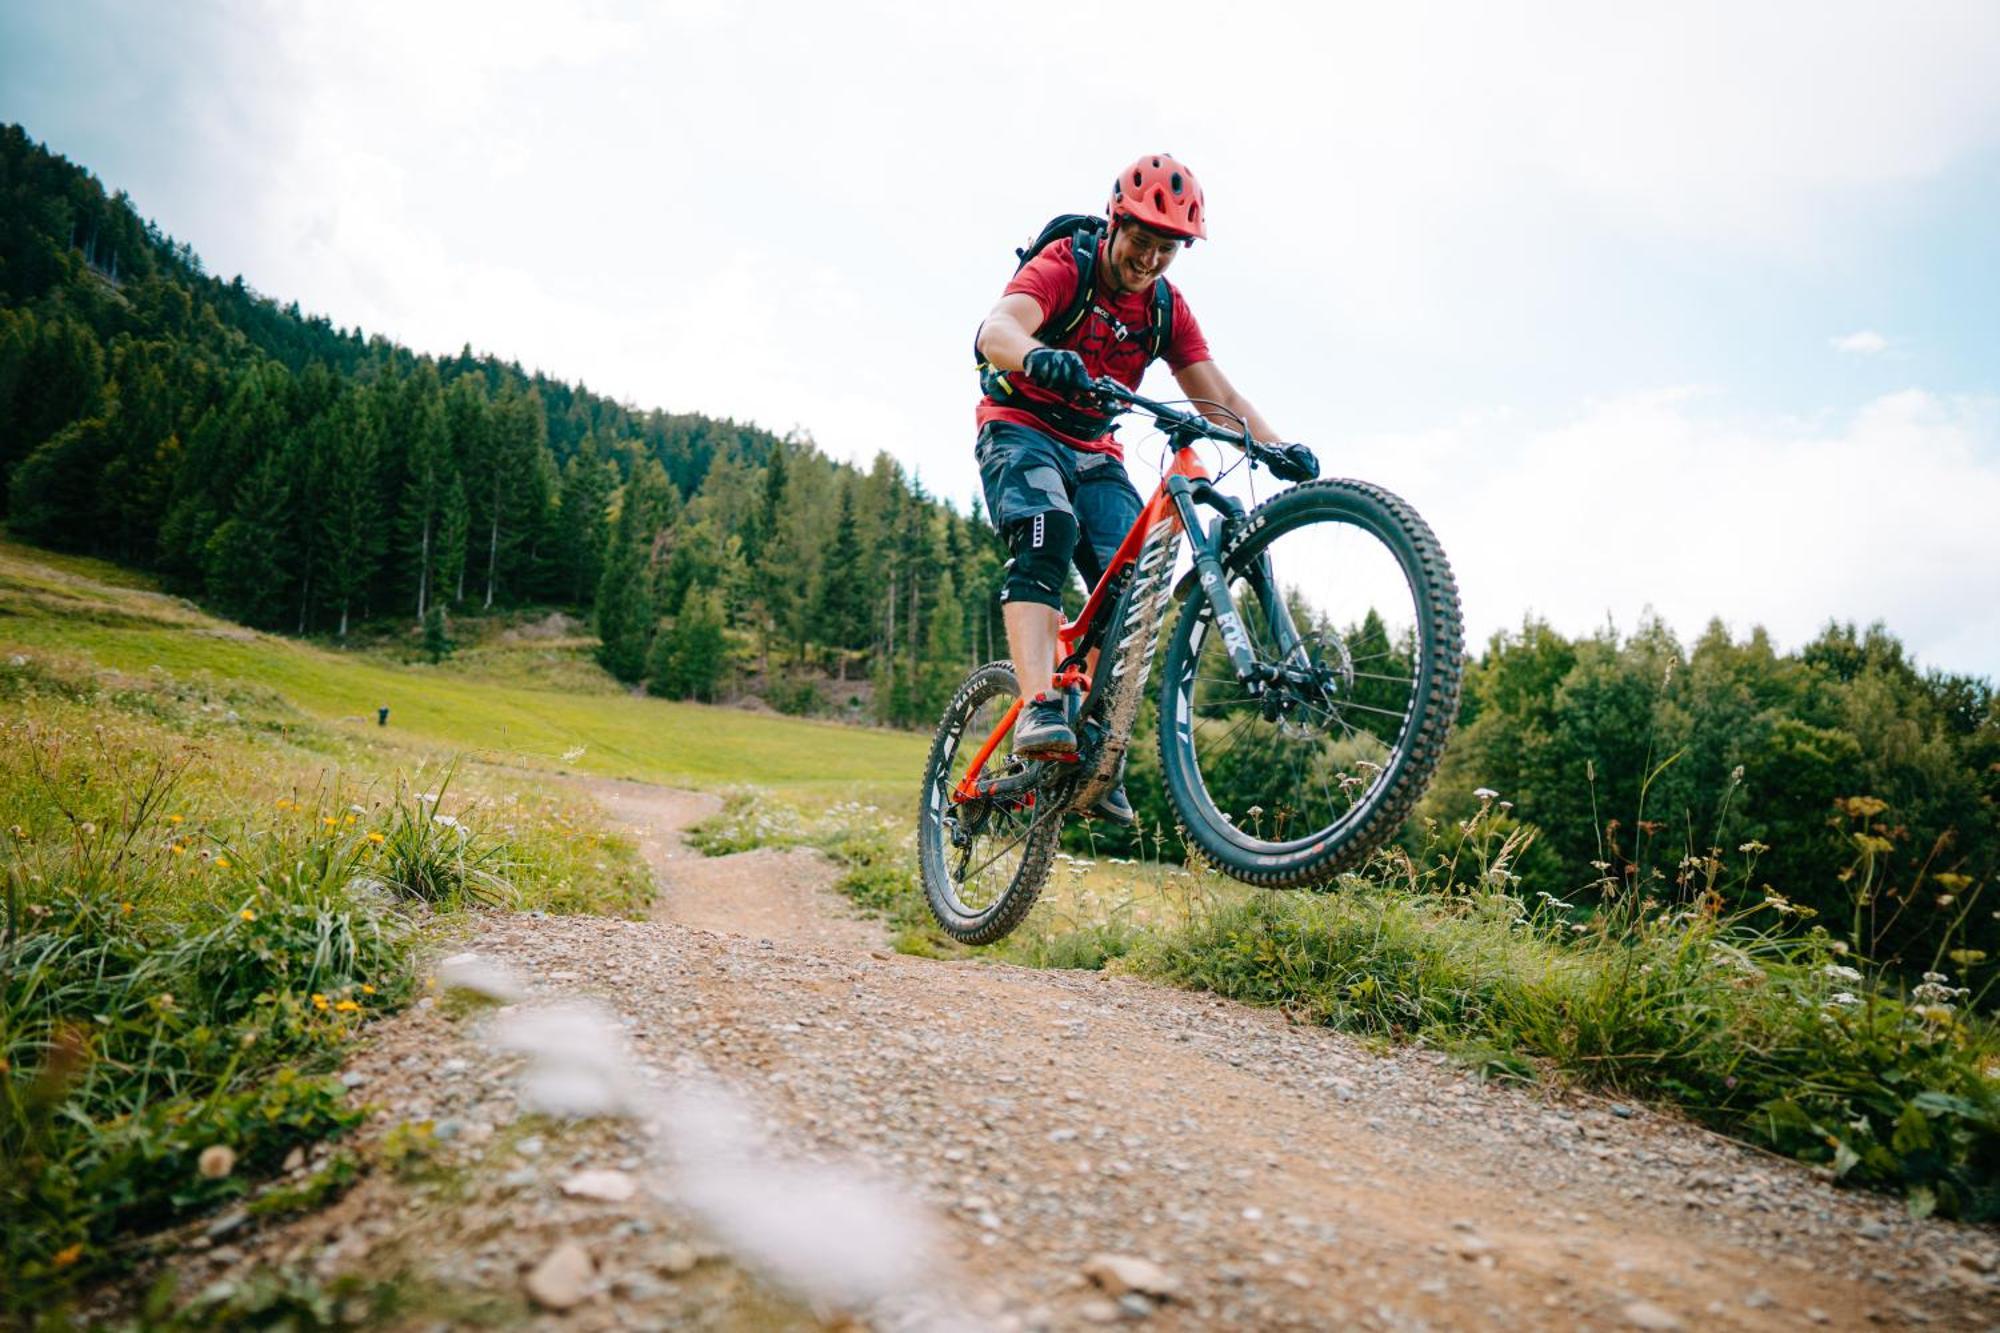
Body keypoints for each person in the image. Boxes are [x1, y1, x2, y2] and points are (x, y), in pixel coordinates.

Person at [973, 153, 1307, 824]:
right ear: (1113, 224)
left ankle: (1092, 741)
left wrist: (1275, 448)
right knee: (1048, 533)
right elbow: (996, 330)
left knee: (1133, 580)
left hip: (1096, 451)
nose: (1149, 259)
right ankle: (1041, 703)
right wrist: (1039, 355)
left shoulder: (1163, 309)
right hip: (1021, 428)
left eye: (1166, 248)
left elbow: (1221, 398)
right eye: (1140, 241)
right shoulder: (1067, 264)